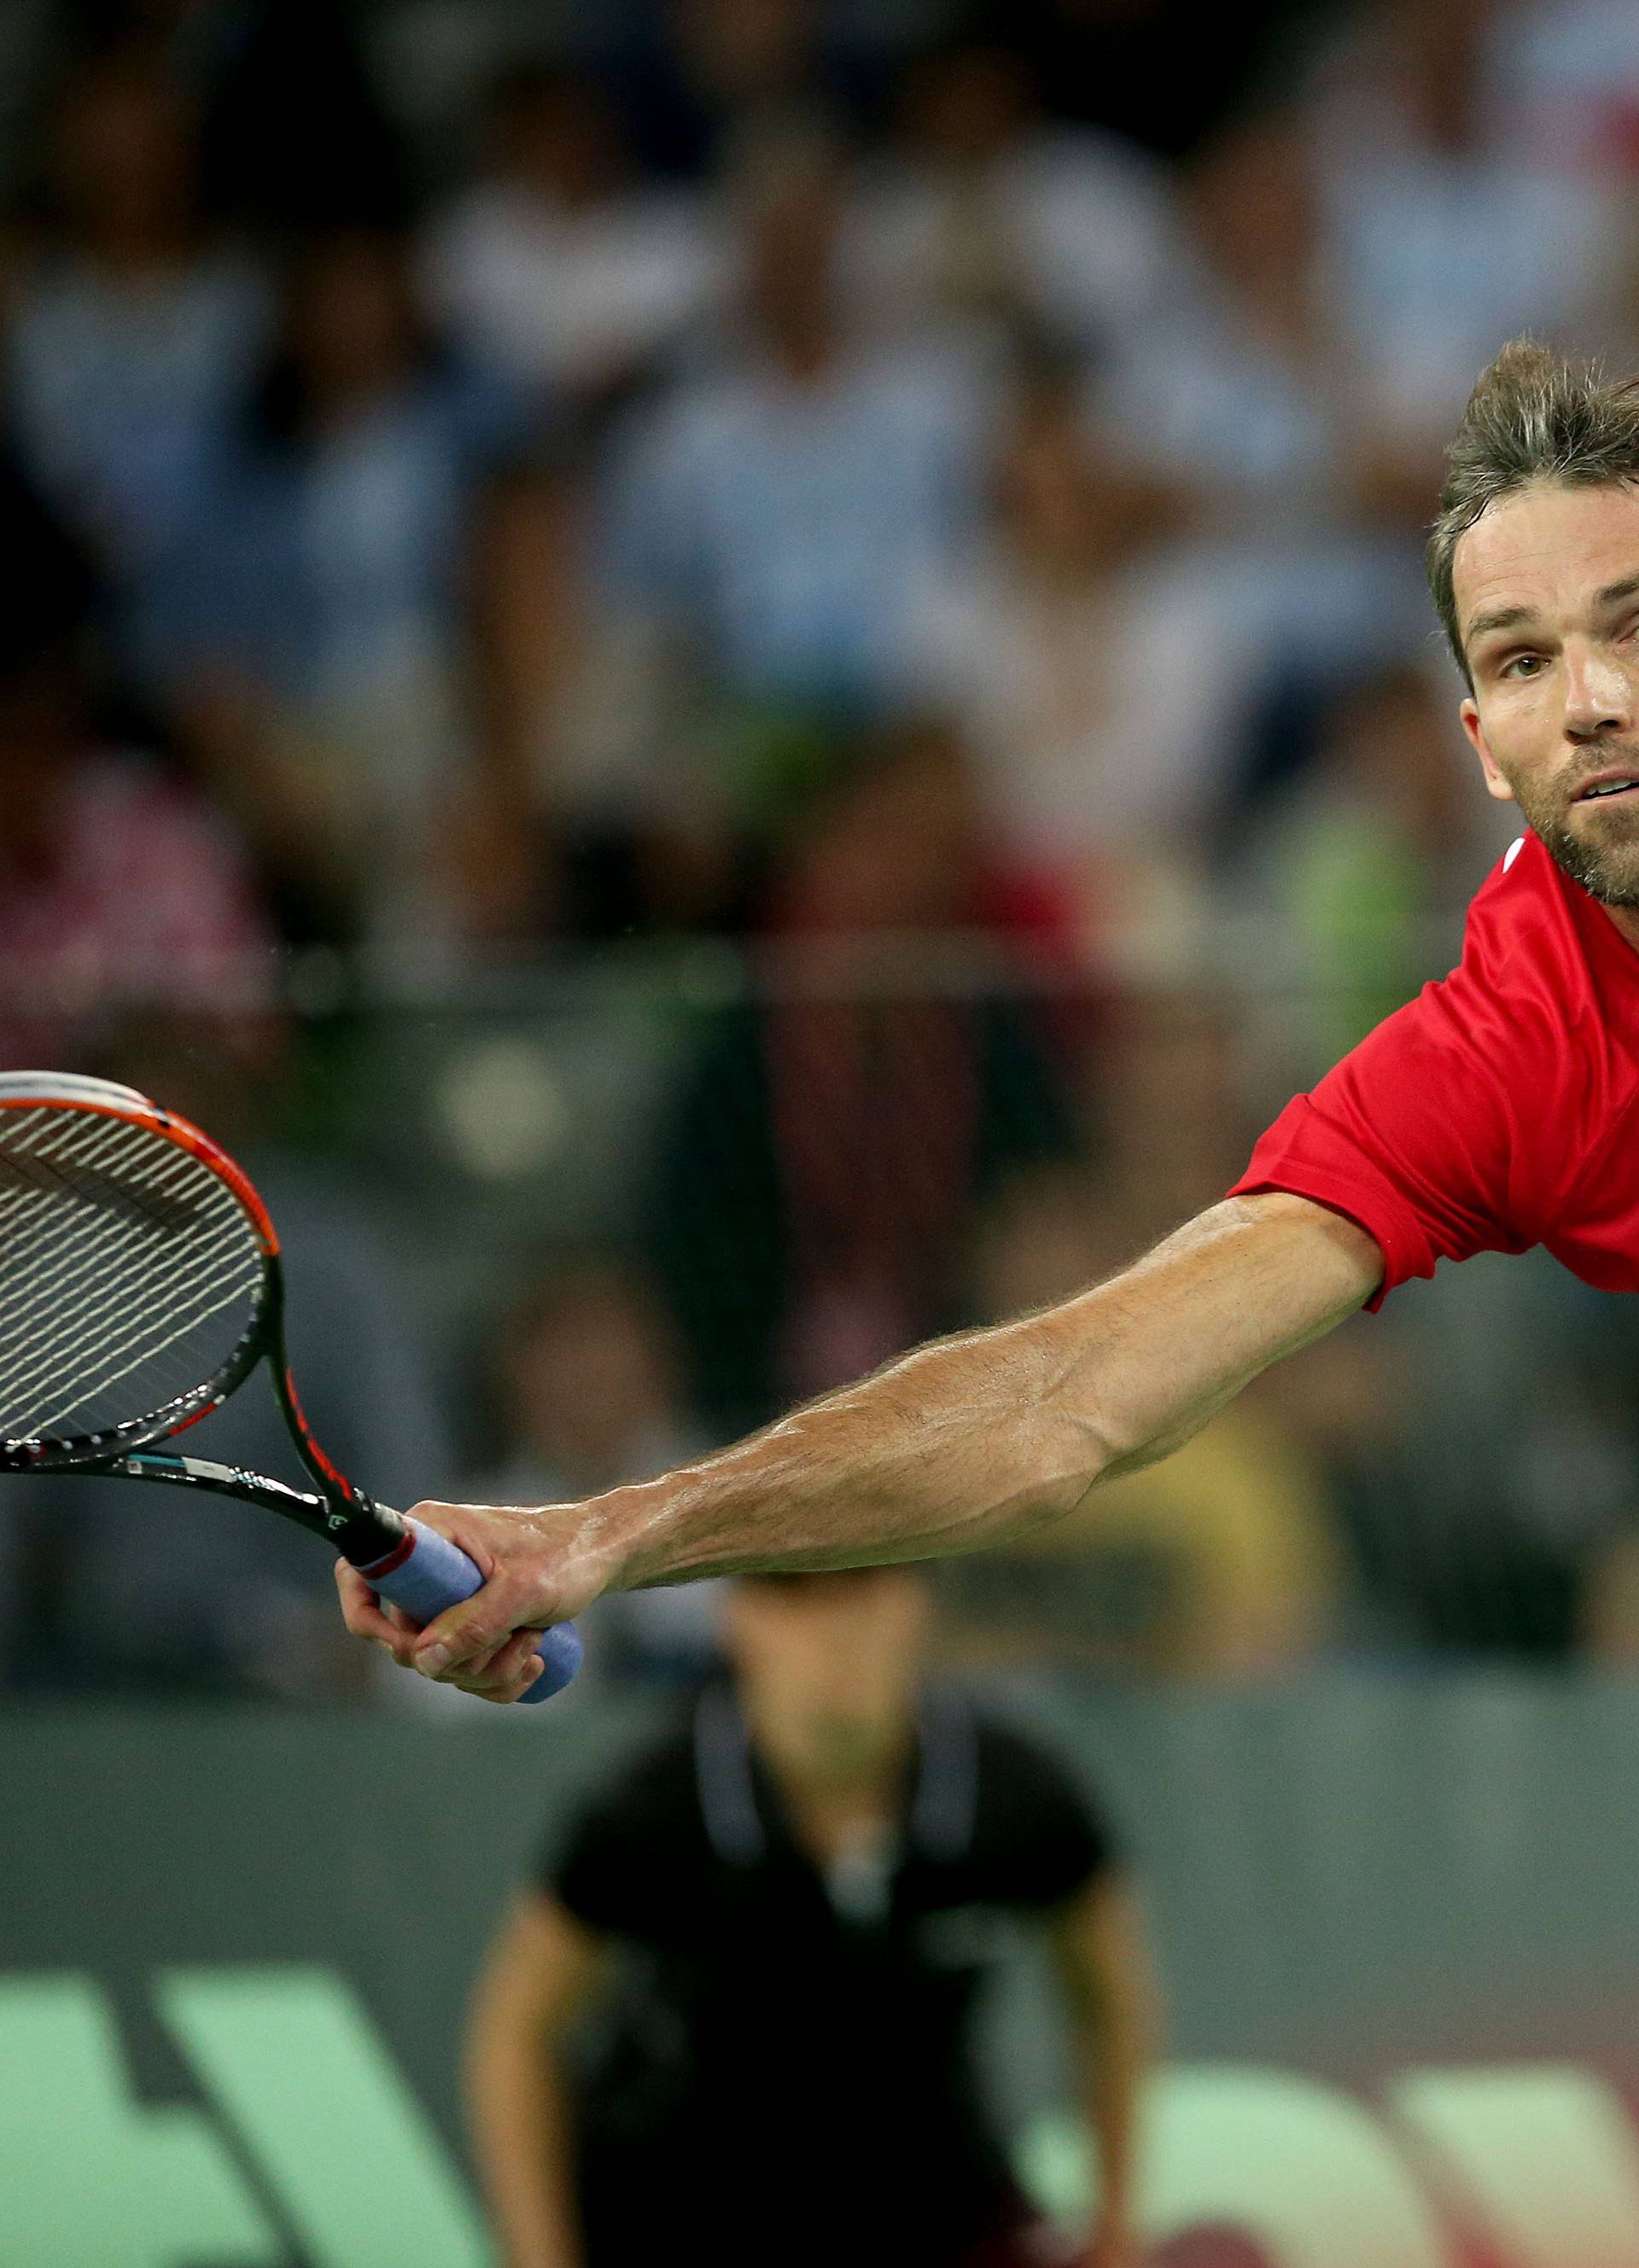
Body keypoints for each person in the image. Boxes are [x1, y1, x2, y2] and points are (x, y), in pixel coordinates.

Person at [339, 336, 1639, 1701]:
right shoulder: (1507, 1049)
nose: (1595, 701)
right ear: (1485, 743)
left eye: (1631, 624)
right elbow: (1062, 1403)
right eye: (1525, 658)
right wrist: (594, 1535)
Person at [465, 1565, 1153, 2268]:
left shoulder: (1019, 1796)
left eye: (861, 1587)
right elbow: (517, 2030)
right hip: (684, 2218)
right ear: (738, 1619)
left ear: (917, 1603)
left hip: (943, 2210)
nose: (832, 1632)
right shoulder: (653, 1811)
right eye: (793, 1595)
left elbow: (1108, 2001)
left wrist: (1116, 2224)